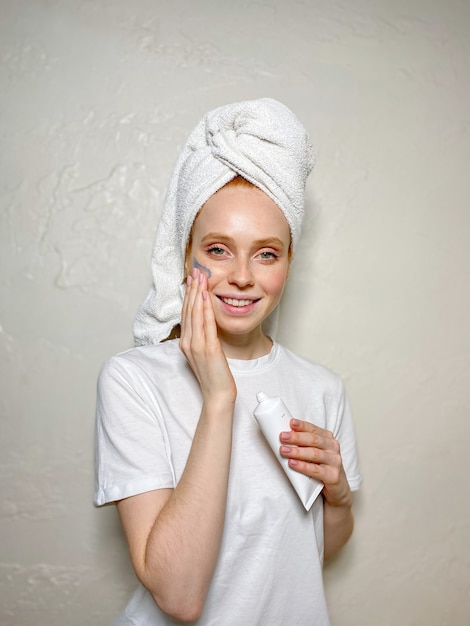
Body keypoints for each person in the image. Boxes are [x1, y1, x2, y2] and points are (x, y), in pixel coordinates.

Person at [94, 98, 362, 625]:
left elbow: (310, 554)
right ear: (184, 253)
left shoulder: (323, 389)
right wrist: (219, 398)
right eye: (218, 249)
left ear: (288, 262)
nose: (243, 275)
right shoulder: (134, 381)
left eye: (267, 252)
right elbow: (179, 597)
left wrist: (340, 498)